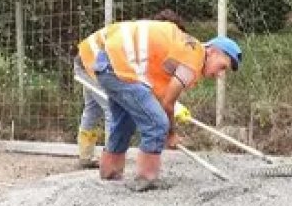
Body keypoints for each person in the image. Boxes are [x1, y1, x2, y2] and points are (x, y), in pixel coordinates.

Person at [75, 18, 242, 191]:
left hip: (110, 62)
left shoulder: (186, 47)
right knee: (157, 124)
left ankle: (110, 173)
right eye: (222, 67)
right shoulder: (194, 58)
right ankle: (146, 178)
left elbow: (160, 94)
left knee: (125, 121)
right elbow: (167, 104)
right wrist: (171, 134)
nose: (220, 74)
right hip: (116, 64)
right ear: (213, 51)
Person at [73, 9, 187, 169]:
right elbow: (138, 81)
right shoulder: (148, 40)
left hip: (86, 56)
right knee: (110, 107)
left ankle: (85, 156)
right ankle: (110, 159)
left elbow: (144, 80)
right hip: (94, 62)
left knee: (92, 109)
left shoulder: (143, 33)